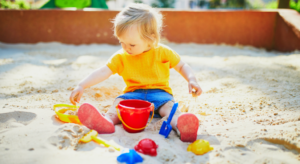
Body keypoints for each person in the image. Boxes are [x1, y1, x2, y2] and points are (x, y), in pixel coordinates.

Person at [69, 3, 202, 142]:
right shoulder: (121, 57)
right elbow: (103, 71)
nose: (126, 48)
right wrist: (82, 85)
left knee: (170, 110)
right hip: (132, 96)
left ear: (150, 39)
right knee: (118, 104)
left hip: (160, 94)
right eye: (122, 42)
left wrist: (192, 79)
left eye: (132, 45)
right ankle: (106, 121)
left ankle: (181, 125)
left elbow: (182, 66)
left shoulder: (163, 52)